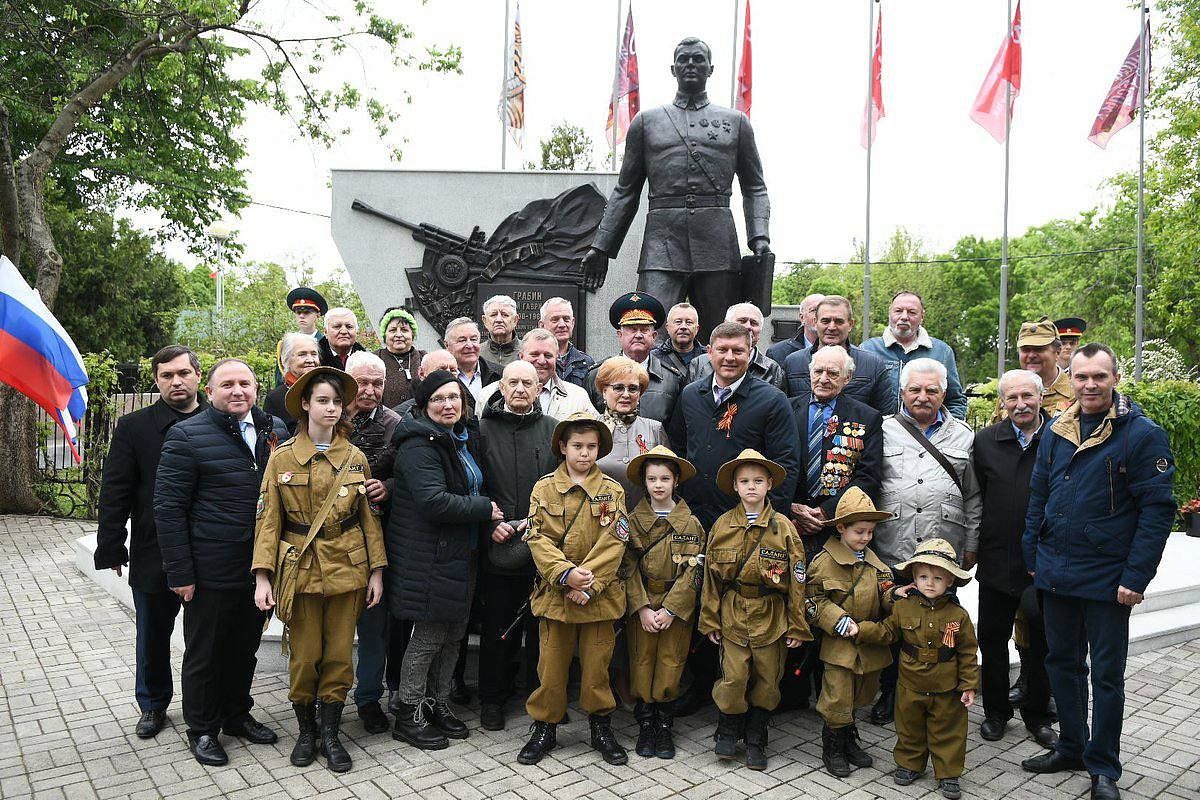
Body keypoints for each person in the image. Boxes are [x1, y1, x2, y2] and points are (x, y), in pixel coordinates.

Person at [1020, 343, 1175, 800]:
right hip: (1056, 572)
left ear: (1115, 379)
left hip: (1109, 579)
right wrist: (1032, 555)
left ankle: (1103, 766)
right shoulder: (1057, 430)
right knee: (1062, 665)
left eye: (1099, 377)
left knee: (1106, 675)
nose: (1089, 385)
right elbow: (1038, 496)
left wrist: (1136, 577)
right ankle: (1071, 745)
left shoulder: (1143, 435)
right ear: (1072, 379)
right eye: (1082, 377)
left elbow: (1156, 513)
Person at [582, 37, 771, 343]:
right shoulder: (647, 122)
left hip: (717, 242)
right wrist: (602, 247)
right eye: (684, 60)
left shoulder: (736, 122)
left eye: (698, 59)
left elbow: (755, 186)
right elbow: (626, 190)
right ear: (673, 68)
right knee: (648, 329)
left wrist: (759, 236)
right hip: (662, 242)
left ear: (711, 68)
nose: (691, 65)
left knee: (720, 337)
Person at [251, 367, 387, 773]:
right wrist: (262, 575)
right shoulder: (283, 458)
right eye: (322, 401)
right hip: (301, 570)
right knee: (306, 656)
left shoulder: (355, 458)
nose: (331, 408)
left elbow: (368, 520)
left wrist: (377, 572)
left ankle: (331, 733)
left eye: (336, 402)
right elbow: (269, 521)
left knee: (340, 656)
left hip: (349, 568)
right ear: (306, 405)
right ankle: (306, 731)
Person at [155, 359, 288, 766]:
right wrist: (180, 573)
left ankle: (236, 714)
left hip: (258, 568)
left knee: (244, 648)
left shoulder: (275, 431)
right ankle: (202, 729)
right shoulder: (186, 436)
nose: (237, 391)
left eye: (244, 383)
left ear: (255, 387)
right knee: (205, 653)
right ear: (210, 392)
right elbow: (169, 509)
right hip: (210, 570)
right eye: (226, 384)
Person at [385, 371, 503, 751]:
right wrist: (485, 509)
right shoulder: (419, 445)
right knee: (429, 637)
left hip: (461, 552)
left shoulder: (461, 439)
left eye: (454, 397)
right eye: (438, 399)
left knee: (454, 635)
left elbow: (470, 484)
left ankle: (437, 703)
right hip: (430, 555)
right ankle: (408, 711)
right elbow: (433, 501)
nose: (448, 404)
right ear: (423, 407)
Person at [95, 345, 206, 738]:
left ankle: (208, 705)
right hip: (153, 548)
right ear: (157, 380)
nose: (176, 382)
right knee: (153, 634)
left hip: (209, 550)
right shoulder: (134, 427)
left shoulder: (221, 420)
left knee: (205, 637)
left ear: (197, 374)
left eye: (182, 373)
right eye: (166, 376)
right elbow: (115, 490)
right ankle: (153, 704)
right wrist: (111, 544)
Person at [870, 358, 980, 726]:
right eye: (915, 389)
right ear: (901, 392)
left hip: (942, 552)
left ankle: (942, 691)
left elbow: (974, 496)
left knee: (938, 628)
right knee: (894, 625)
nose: (922, 396)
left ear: (944, 393)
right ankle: (890, 692)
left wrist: (972, 544)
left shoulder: (964, 435)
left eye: (931, 390)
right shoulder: (882, 430)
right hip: (892, 547)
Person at [517, 412, 629, 767]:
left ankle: (600, 725)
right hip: (557, 596)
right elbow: (537, 537)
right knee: (550, 667)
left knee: (598, 668)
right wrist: (566, 575)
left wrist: (589, 584)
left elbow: (615, 542)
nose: (584, 453)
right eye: (577, 446)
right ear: (563, 447)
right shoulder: (544, 488)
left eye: (592, 447)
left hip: (598, 598)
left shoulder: (612, 490)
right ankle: (545, 726)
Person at [783, 344, 884, 712]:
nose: (824, 378)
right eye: (819, 371)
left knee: (832, 604)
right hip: (789, 522)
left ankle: (831, 693)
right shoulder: (786, 406)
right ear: (809, 372)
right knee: (793, 600)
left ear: (847, 378)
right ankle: (791, 694)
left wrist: (825, 514)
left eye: (833, 373)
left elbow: (869, 477)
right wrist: (791, 507)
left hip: (835, 531)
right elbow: (772, 462)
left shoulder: (867, 418)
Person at [699, 449, 810, 771]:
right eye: (744, 481)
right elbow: (710, 579)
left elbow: (797, 580)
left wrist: (797, 625)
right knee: (733, 678)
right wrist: (709, 620)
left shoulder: (784, 528)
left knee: (767, 680)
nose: (751, 487)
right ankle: (729, 726)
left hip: (771, 617)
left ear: (770, 484)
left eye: (758, 480)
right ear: (734, 485)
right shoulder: (722, 525)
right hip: (732, 614)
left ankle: (757, 733)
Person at [972, 370, 1058, 749]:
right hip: (996, 558)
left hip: (1043, 562)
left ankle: (1038, 715)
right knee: (991, 639)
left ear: (1041, 397)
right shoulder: (987, 441)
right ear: (1002, 403)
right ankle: (995, 712)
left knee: (1040, 642)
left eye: (1027, 396)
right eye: (1012, 398)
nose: (1020, 404)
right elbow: (977, 497)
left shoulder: (1060, 438)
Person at [856, 540, 980, 800]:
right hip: (910, 682)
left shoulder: (959, 615)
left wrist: (968, 685)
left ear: (950, 581)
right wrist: (861, 629)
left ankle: (948, 773)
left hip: (946, 686)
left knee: (948, 730)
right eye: (923, 576)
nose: (929, 583)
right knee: (909, 727)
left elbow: (968, 651)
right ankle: (910, 764)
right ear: (914, 577)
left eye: (937, 577)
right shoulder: (903, 607)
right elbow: (887, 631)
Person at [476, 360, 559, 732]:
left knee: (542, 629)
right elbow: (472, 484)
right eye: (513, 382)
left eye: (528, 382)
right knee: (498, 627)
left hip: (543, 546)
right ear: (501, 388)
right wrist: (488, 523)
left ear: (539, 388)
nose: (521, 388)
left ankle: (540, 696)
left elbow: (562, 484)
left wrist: (543, 525)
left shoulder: (553, 431)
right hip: (498, 543)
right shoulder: (480, 430)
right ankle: (493, 699)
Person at [668, 321, 798, 530]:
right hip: (693, 516)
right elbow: (678, 450)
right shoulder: (690, 395)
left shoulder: (772, 400)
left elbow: (785, 464)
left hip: (746, 520)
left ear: (750, 352)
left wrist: (769, 519)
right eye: (722, 350)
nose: (729, 358)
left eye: (738, 351)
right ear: (709, 352)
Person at [804, 487, 896, 778]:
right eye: (859, 531)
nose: (866, 538)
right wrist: (837, 619)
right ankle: (832, 745)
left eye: (870, 531)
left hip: (868, 645)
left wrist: (897, 597)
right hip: (839, 646)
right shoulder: (823, 562)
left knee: (860, 694)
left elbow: (885, 594)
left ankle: (848, 737)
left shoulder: (875, 563)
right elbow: (811, 600)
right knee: (837, 698)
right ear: (841, 527)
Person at [623, 446, 705, 760]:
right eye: (652, 478)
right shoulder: (631, 522)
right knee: (642, 660)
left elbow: (694, 569)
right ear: (644, 482)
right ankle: (646, 721)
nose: (659, 485)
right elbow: (626, 566)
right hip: (643, 603)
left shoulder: (691, 525)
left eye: (665, 479)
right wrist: (642, 607)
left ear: (676, 482)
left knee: (671, 661)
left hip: (675, 607)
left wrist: (671, 609)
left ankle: (664, 721)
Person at [343, 351, 403, 735]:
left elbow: (412, 472)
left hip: (378, 540)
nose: (369, 390)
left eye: (376, 383)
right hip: (330, 539)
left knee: (374, 626)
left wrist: (390, 487)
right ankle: (321, 698)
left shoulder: (397, 424)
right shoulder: (329, 416)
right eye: (362, 382)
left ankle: (368, 698)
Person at [861, 291, 968, 419]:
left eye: (912, 312)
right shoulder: (868, 349)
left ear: (922, 317)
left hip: (927, 436)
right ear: (890, 314)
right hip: (879, 434)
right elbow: (858, 397)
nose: (904, 317)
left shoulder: (942, 351)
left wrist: (948, 432)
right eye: (898, 311)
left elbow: (955, 400)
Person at [783, 296, 896, 414]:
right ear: (815, 322)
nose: (831, 327)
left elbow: (886, 416)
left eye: (839, 321)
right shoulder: (793, 363)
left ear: (850, 324)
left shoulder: (873, 365)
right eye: (825, 321)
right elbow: (783, 412)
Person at [586, 291, 684, 424]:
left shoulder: (672, 379)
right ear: (620, 335)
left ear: (654, 336)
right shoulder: (597, 375)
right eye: (632, 329)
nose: (638, 335)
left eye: (644, 330)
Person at [595, 356, 669, 508]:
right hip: (601, 518)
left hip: (645, 520)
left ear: (640, 393)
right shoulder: (591, 429)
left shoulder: (655, 429)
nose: (626, 394)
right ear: (604, 391)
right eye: (618, 388)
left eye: (633, 388)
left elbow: (669, 478)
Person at [477, 328, 594, 420]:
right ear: (521, 356)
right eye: (534, 355)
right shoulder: (488, 395)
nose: (541, 361)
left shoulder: (578, 397)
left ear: (557, 358)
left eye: (548, 356)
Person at [991, 316, 1074, 423]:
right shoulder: (1010, 389)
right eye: (1025, 350)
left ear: (1057, 352)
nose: (1031, 355)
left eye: (1039, 349)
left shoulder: (1074, 392)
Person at [688, 302, 786, 391]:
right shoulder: (699, 364)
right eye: (742, 321)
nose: (748, 326)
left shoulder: (773, 370)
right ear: (726, 324)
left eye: (754, 323)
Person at [264, 332, 321, 432]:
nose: (310, 360)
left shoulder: (329, 389)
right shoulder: (275, 398)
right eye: (302, 354)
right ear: (287, 360)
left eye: (314, 354)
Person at [274, 286, 327, 385]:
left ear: (317, 315)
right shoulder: (286, 344)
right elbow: (280, 380)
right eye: (298, 312)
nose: (302, 316)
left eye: (307, 312)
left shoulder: (326, 344)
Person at [376, 306, 426, 409]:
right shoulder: (374, 359)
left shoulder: (424, 358)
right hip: (385, 422)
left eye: (404, 330)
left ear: (412, 333)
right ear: (385, 334)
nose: (399, 334)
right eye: (393, 330)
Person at [540, 296, 594, 389]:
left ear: (572, 323)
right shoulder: (534, 360)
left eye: (566, 319)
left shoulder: (586, 362)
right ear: (542, 325)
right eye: (555, 319)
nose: (562, 324)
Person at [444, 316, 499, 406]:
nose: (469, 345)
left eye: (473, 339)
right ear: (447, 345)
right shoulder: (439, 376)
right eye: (462, 340)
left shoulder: (499, 374)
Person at [392, 349, 459, 418]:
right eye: (440, 370)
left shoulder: (465, 411)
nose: (448, 375)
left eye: (453, 370)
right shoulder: (400, 417)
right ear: (422, 374)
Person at [766, 292, 825, 365]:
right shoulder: (777, 353)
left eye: (824, 311)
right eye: (814, 310)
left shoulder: (841, 349)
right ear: (802, 318)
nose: (819, 315)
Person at [655, 302, 703, 375]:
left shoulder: (709, 358)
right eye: (678, 322)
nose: (683, 326)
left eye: (689, 322)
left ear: (697, 329)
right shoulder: (654, 358)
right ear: (668, 328)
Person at [480, 294, 521, 369]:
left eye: (505, 315)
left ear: (515, 320)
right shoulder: (477, 353)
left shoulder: (527, 351)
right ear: (485, 321)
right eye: (493, 315)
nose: (499, 320)